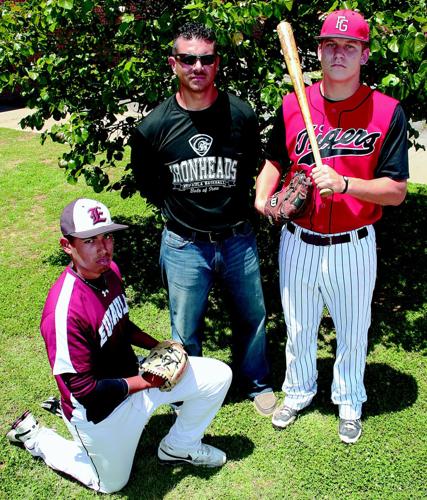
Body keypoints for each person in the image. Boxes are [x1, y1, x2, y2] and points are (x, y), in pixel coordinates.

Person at [6, 198, 232, 494]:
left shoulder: (108, 271)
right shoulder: (64, 314)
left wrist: (159, 345)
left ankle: (180, 446)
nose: (103, 248)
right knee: (111, 484)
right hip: (100, 414)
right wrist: (146, 381)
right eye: (90, 240)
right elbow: (86, 391)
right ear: (67, 246)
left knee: (218, 376)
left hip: (135, 380)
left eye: (107, 236)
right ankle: (35, 437)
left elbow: (121, 323)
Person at [255, 10, 408, 443]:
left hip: (353, 244)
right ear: (318, 51)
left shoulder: (387, 111)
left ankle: (348, 398)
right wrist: (262, 193)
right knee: (298, 324)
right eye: (329, 45)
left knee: (353, 326)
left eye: (349, 46)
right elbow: (274, 161)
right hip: (298, 240)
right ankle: (298, 391)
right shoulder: (292, 105)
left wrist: (346, 184)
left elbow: (396, 190)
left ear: (364, 54)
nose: (338, 53)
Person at [129, 22, 277, 416]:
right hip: (184, 244)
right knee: (185, 329)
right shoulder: (153, 127)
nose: (198, 66)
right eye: (188, 58)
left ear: (217, 63)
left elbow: (251, 168)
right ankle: (189, 393)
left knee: (251, 316)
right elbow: (149, 184)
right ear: (173, 63)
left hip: (237, 238)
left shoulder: (240, 115)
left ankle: (255, 382)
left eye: (206, 58)